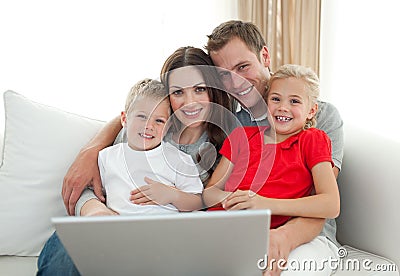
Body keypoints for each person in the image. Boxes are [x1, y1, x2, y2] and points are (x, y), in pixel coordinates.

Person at [37, 46, 235, 275]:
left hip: (161, 236)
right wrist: (95, 211)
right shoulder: (142, 131)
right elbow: (97, 182)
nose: (190, 102)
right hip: (108, 224)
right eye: (178, 92)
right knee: (62, 260)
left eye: (199, 89)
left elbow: (198, 208)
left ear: (213, 90)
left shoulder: (221, 147)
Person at [205, 20, 344, 275]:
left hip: (306, 234)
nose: (235, 82)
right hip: (240, 229)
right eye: (225, 75)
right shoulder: (235, 125)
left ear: (265, 56)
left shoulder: (319, 120)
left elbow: (317, 199)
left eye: (243, 66)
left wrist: (284, 236)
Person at [99, 78, 203, 215]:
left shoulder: (179, 159)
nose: (149, 126)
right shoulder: (107, 157)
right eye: (142, 117)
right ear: (124, 119)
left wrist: (172, 195)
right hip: (121, 229)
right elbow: (98, 194)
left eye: (159, 121)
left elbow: (197, 203)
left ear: (167, 128)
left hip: (166, 227)